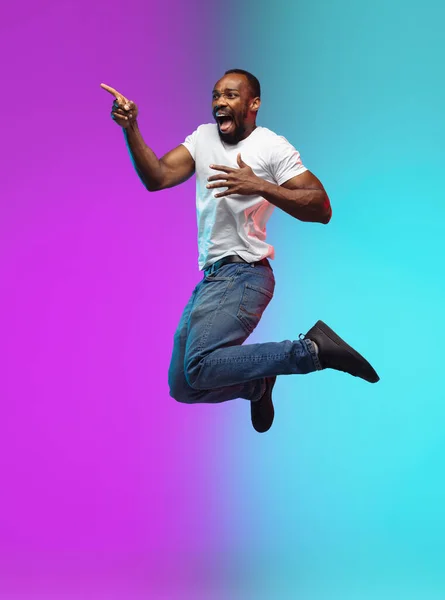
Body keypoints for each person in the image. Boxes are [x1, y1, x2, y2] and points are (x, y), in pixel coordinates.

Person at [101, 69, 379, 434]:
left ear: (253, 104)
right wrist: (131, 128)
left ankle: (312, 350)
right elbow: (157, 177)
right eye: (216, 96)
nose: (220, 102)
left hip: (245, 273)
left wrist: (259, 185)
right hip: (213, 278)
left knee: (199, 365)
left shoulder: (271, 147)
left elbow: (320, 207)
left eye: (231, 95)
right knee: (183, 386)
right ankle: (257, 384)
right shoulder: (202, 138)